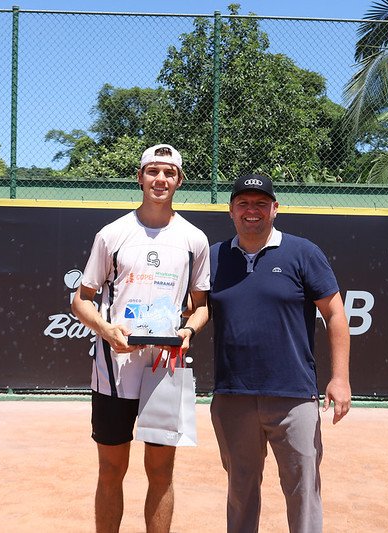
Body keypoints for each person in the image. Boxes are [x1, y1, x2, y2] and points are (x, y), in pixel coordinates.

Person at [71, 144, 210, 533]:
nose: (160, 180)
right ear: (140, 177)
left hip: (165, 369)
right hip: (114, 369)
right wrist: (106, 330)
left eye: (169, 173)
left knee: (161, 471)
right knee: (112, 469)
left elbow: (202, 306)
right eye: (153, 171)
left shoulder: (193, 239)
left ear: (179, 181)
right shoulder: (112, 234)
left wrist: (187, 331)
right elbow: (81, 300)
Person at [209, 174, 351, 533]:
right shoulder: (213, 258)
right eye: (243, 203)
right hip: (232, 396)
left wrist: (340, 378)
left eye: (260, 203)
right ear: (231, 211)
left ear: (275, 208)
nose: (251, 211)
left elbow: (335, 313)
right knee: (240, 492)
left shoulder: (303, 252)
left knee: (303, 492)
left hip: (294, 397)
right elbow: (193, 311)